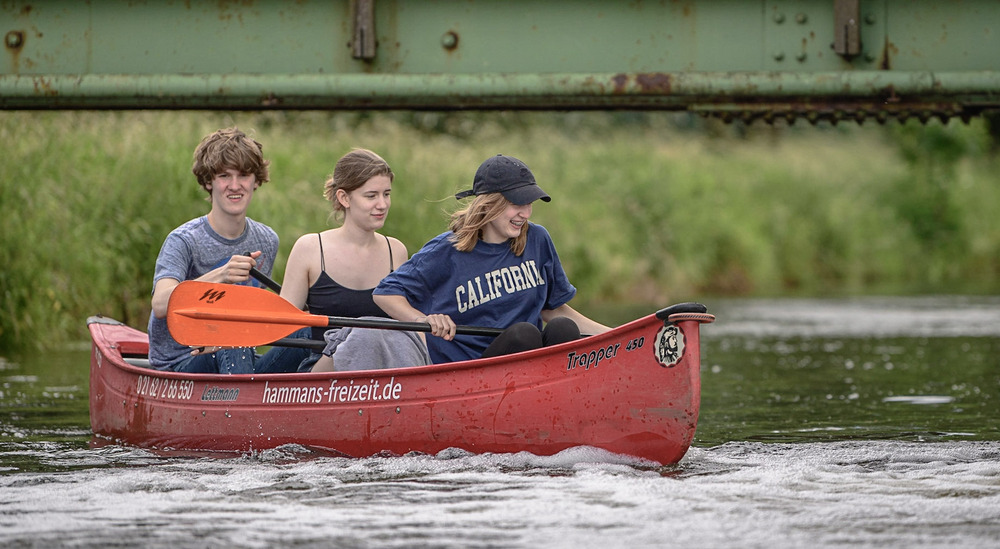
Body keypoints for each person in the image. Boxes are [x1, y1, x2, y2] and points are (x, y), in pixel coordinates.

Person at [373, 154, 612, 364]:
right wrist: (423, 319)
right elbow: (385, 293)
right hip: (470, 372)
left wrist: (618, 335)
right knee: (524, 335)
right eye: (516, 203)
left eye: (528, 203)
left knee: (563, 329)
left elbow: (554, 310)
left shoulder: (538, 239)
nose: (526, 213)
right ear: (489, 204)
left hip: (528, 365)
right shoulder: (446, 250)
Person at [147, 127, 303, 373]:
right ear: (209, 182)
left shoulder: (266, 239)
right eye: (224, 176)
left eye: (243, 175)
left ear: (255, 181)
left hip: (238, 356)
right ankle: (245, 408)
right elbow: (160, 304)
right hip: (181, 364)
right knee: (232, 341)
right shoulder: (183, 240)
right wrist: (221, 275)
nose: (234, 185)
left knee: (307, 333)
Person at [279, 148, 426, 372]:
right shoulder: (309, 248)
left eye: (386, 194)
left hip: (381, 372)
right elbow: (282, 327)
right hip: (323, 372)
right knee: (364, 334)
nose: (382, 204)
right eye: (371, 196)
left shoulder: (395, 251)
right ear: (344, 198)